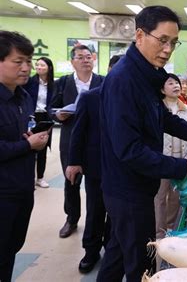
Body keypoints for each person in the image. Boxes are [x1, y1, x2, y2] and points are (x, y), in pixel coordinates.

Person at [97, 5, 187, 282]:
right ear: (140, 35)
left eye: (173, 42)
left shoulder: (146, 75)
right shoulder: (124, 81)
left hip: (133, 187)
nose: (168, 49)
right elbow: (130, 150)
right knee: (142, 264)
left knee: (116, 255)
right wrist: (181, 166)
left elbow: (161, 117)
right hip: (127, 191)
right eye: (162, 40)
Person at [65, 55, 122, 274]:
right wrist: (74, 162)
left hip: (121, 167)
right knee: (95, 210)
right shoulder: (90, 98)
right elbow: (77, 133)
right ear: (109, 70)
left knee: (115, 211)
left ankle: (110, 247)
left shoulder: (131, 98)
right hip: (96, 166)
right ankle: (90, 251)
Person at [0, 30, 49, 282]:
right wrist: (27, 146)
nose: (26, 67)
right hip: (2, 192)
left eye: (28, 61)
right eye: (17, 61)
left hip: (22, 188)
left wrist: (33, 139)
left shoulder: (24, 96)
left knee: (11, 248)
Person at [50, 45, 104, 239]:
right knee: (71, 180)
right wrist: (58, 115)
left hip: (95, 140)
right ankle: (72, 218)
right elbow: (51, 108)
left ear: (94, 59)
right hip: (70, 138)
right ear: (73, 62)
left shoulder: (102, 81)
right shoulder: (63, 83)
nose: (85, 60)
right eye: (80, 57)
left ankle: (95, 224)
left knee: (96, 184)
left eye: (89, 57)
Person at [154, 73, 187, 238]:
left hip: (182, 161)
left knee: (175, 197)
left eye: (177, 83)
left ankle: (171, 230)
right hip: (162, 160)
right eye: (170, 83)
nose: (176, 86)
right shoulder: (158, 109)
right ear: (162, 89)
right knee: (159, 197)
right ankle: (158, 232)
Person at [23, 57, 55, 188]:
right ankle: (28, 178)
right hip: (31, 117)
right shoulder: (30, 82)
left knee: (42, 148)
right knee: (29, 147)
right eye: (37, 65)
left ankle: (40, 178)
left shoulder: (54, 84)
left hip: (46, 117)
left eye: (42, 65)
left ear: (49, 68)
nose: (39, 67)